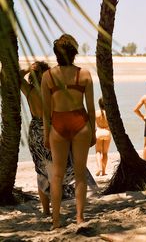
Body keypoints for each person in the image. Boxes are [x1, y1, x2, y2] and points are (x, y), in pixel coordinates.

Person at [41, 34, 96, 229]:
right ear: (74, 53)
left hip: (58, 124)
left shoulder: (47, 76)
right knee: (80, 174)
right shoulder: (84, 75)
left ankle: (56, 221)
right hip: (80, 123)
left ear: (56, 54)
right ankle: (79, 218)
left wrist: (47, 134)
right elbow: (91, 109)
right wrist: (94, 132)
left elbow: (46, 112)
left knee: (56, 175)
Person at [19, 61, 75, 215]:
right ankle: (57, 206)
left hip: (36, 133)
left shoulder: (29, 91)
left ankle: (46, 211)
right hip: (54, 130)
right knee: (58, 170)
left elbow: (16, 77)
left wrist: (26, 69)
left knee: (41, 172)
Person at [95, 97, 111, 176]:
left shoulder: (96, 113)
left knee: (98, 152)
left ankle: (99, 168)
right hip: (107, 132)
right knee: (105, 153)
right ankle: (104, 171)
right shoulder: (109, 113)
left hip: (99, 132)